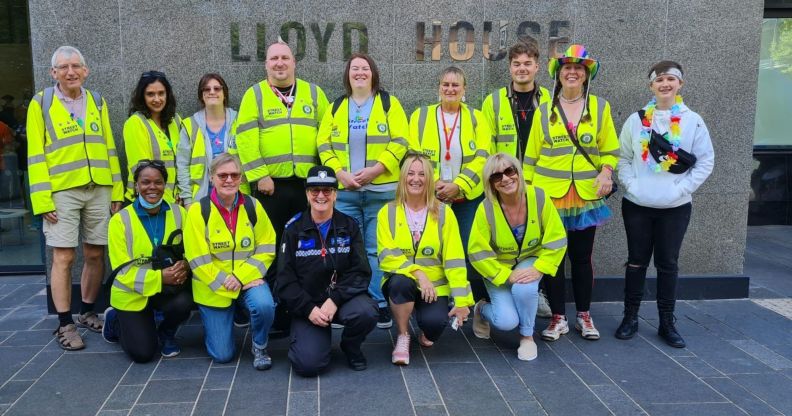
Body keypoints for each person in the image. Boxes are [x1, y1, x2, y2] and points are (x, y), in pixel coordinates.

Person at [27, 46, 123, 350]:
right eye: (64, 67)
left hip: (99, 188)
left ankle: (87, 311)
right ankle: (65, 323)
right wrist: (43, 200)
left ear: (86, 71)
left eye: (76, 66)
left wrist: (117, 190)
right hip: (61, 192)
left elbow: (110, 147)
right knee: (64, 257)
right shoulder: (41, 103)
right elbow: (35, 155)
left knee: (95, 253)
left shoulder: (96, 101)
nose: (71, 72)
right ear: (53, 72)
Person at [523, 44, 619, 342]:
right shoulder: (543, 111)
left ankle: (584, 315)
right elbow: (530, 158)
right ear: (558, 74)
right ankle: (557, 317)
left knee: (581, 257)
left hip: (585, 197)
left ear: (586, 74)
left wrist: (606, 172)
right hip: (549, 196)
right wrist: (528, 197)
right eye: (567, 68)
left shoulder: (600, 107)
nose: (573, 72)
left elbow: (610, 150)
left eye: (579, 68)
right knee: (553, 258)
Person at [615, 61, 714, 348]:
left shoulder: (692, 120)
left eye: (671, 79)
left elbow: (706, 160)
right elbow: (622, 158)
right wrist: (632, 186)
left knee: (668, 264)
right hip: (637, 205)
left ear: (680, 85)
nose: (665, 84)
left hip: (675, 207)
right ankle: (630, 317)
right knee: (635, 262)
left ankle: (666, 322)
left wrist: (681, 189)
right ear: (651, 86)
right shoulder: (636, 120)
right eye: (659, 80)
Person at [317, 53, 411, 329]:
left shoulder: (388, 103)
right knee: (343, 248)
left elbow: (401, 140)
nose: (360, 72)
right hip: (345, 193)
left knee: (374, 248)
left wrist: (375, 170)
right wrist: (339, 173)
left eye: (365, 68)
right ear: (348, 74)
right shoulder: (336, 107)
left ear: (373, 74)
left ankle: (377, 302)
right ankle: (343, 301)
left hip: (380, 191)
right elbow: (323, 144)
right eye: (355, 68)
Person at [277, 166, 378, 376]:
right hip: (308, 305)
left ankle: (350, 346)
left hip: (341, 301)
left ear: (335, 194)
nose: (321, 195)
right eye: (315, 190)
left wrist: (335, 299)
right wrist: (308, 310)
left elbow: (361, 271)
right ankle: (312, 339)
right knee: (308, 366)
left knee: (367, 312)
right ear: (306, 194)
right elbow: (285, 280)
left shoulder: (349, 225)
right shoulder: (293, 229)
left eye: (327, 190)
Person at [235, 41, 329, 265]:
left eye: (285, 58)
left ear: (294, 63)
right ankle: (277, 292)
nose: (280, 63)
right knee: (273, 241)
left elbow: (328, 135)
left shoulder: (314, 93)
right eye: (274, 59)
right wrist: (259, 175)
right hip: (271, 186)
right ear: (266, 65)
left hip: (308, 184)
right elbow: (245, 138)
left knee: (306, 240)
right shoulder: (254, 94)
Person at [468, 153, 566, 360]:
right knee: (505, 321)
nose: (505, 178)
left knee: (525, 289)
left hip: (530, 260)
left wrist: (539, 268)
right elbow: (477, 252)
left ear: (518, 173)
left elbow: (557, 238)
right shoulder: (485, 209)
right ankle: (481, 309)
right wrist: (506, 276)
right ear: (491, 183)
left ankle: (527, 337)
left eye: (509, 171)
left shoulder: (539, 197)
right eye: (496, 176)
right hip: (498, 268)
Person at [378, 153, 473, 365]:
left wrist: (461, 300)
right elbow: (386, 256)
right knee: (400, 283)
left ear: (430, 179)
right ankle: (403, 335)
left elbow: (455, 259)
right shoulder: (388, 212)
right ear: (403, 178)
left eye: (422, 174)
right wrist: (418, 274)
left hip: (436, 288)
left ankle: (425, 331)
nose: (416, 179)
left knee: (435, 325)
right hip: (403, 282)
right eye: (410, 173)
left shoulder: (445, 213)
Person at [184, 153, 277, 369]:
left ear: (242, 178)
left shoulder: (253, 206)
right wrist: (230, 281)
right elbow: (197, 259)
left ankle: (260, 346)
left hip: (246, 280)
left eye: (235, 175)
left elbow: (267, 247)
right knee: (222, 355)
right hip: (214, 287)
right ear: (211, 178)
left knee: (264, 305)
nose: (229, 180)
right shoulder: (198, 211)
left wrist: (241, 277)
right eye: (222, 175)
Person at [481, 40, 553, 319]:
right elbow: (487, 146)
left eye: (527, 63)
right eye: (516, 64)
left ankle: (537, 291)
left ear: (537, 66)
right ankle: (501, 293)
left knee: (538, 238)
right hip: (504, 183)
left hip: (539, 182)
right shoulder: (494, 101)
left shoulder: (550, 99)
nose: (522, 69)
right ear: (510, 68)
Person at [409, 66, 491, 301]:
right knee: (433, 247)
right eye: (445, 84)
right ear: (439, 88)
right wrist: (432, 183)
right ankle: (435, 297)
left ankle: (464, 297)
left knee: (467, 248)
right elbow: (413, 153)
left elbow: (483, 156)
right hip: (430, 196)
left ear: (464, 89)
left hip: (467, 199)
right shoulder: (420, 116)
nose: (450, 89)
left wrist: (459, 184)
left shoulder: (477, 118)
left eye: (456, 85)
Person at [103, 160, 193, 362]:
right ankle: (114, 321)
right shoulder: (119, 221)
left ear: (165, 185)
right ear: (136, 185)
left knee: (185, 301)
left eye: (158, 182)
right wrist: (161, 277)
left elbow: (193, 250)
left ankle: (166, 333)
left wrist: (186, 265)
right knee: (142, 355)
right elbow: (121, 271)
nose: (152, 187)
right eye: (145, 182)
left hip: (168, 289)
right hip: (131, 292)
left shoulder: (180, 213)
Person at [177, 73, 248, 208]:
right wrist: (187, 200)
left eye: (217, 88)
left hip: (237, 197)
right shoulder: (190, 125)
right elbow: (182, 166)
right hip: (202, 198)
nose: (212, 92)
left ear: (224, 93)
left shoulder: (239, 121)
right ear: (201, 95)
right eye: (207, 89)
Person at [123, 71, 181, 203]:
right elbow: (141, 169)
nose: (157, 99)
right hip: (146, 201)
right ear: (142, 96)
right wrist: (165, 198)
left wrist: (179, 193)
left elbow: (182, 162)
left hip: (173, 200)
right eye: (150, 94)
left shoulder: (176, 121)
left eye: (161, 93)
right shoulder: (135, 123)